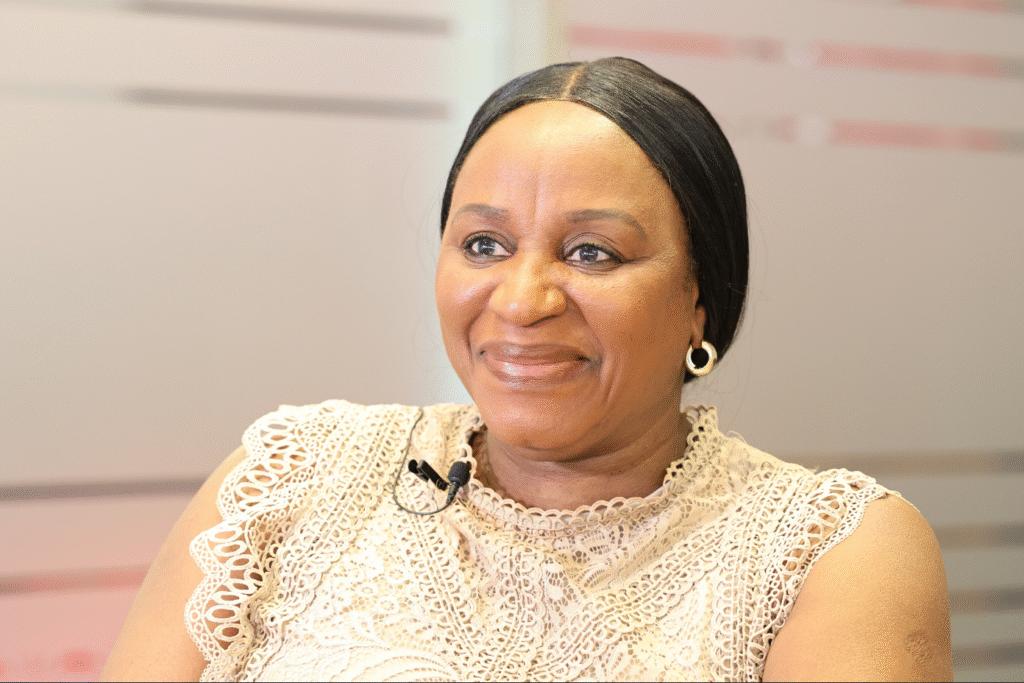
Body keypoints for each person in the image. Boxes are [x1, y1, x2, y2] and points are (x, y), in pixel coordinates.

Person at [102, 57, 952, 681]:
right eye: (484, 244)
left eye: (593, 251)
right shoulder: (296, 475)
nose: (523, 298)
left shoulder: (827, 548)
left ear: (701, 297)